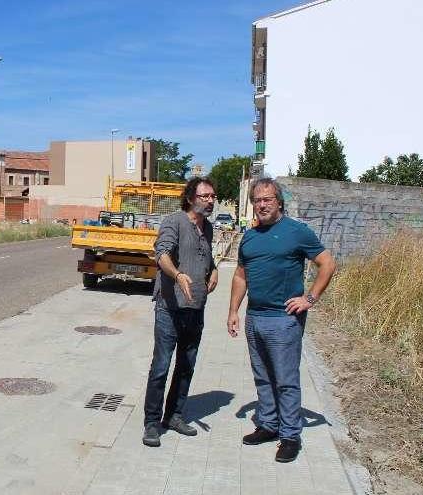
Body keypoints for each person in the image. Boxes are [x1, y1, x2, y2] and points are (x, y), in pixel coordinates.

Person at [227, 178, 336, 463]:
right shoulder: (249, 237)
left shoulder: (297, 232)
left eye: (267, 199)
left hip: (283, 320)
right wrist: (233, 311)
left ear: (279, 202)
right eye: (257, 201)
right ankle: (268, 424)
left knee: (285, 380)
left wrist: (309, 299)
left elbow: (327, 263)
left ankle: (290, 436)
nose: (261, 205)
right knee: (263, 377)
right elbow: (241, 275)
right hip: (255, 317)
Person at [142, 177, 218, 447]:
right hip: (170, 309)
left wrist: (215, 271)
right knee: (161, 367)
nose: (210, 200)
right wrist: (177, 276)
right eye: (205, 196)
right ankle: (152, 423)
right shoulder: (173, 221)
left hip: (196, 309)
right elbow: (161, 253)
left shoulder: (208, 229)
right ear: (190, 198)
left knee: (186, 366)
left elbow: (207, 259)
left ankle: (173, 415)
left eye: (212, 196)